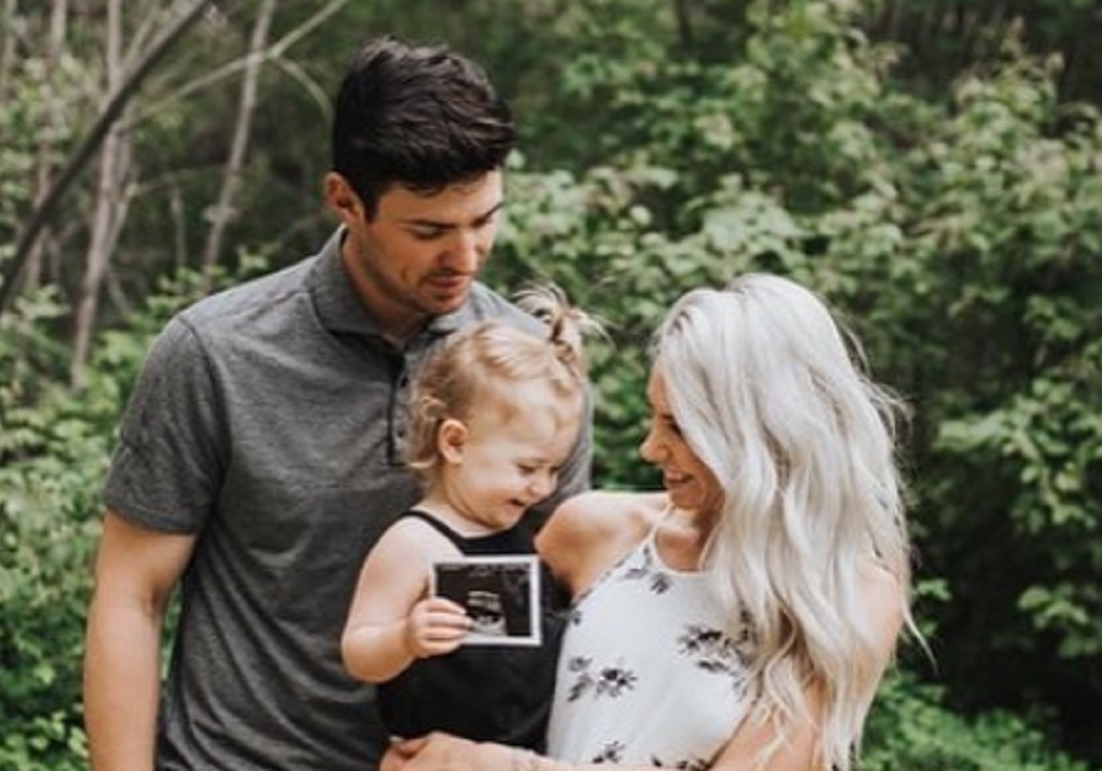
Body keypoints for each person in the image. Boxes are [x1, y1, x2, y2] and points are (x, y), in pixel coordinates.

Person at [81, 36, 592, 771]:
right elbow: (132, 594)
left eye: (484, 220)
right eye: (429, 230)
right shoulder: (215, 352)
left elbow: (565, 590)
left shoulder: (534, 371)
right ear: (344, 200)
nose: (467, 256)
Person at [385, 273, 918, 771]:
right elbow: (465, 681)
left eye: (678, 427)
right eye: (653, 415)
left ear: (761, 434)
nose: (649, 447)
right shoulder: (588, 531)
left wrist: (493, 766)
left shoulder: (851, 594)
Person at [342, 289, 594, 752]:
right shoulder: (414, 543)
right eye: (527, 468)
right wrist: (405, 638)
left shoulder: (525, 537)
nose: (542, 488)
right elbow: (358, 650)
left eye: (553, 470)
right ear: (455, 443)